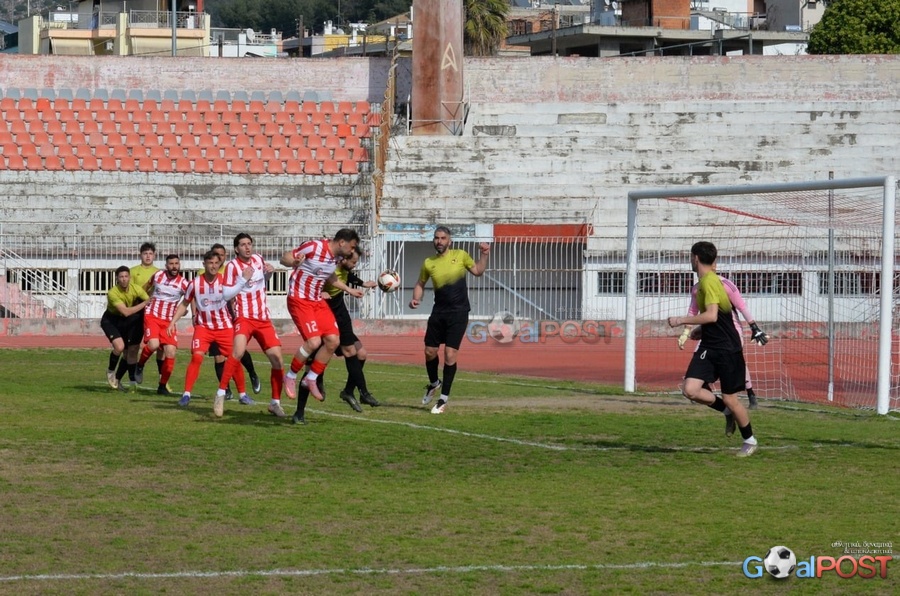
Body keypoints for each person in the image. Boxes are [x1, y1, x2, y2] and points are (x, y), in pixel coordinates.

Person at [667, 241, 759, 457]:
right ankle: (726, 412)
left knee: (730, 398)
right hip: (709, 344)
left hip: (727, 347)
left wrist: (680, 321)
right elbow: (713, 318)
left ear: (696, 258)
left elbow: (712, 315)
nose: (690, 261)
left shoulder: (710, 282)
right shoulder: (702, 284)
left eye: (691, 257)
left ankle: (750, 440)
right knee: (690, 389)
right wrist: (699, 330)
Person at [409, 226, 490, 414]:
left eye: (443, 238)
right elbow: (420, 283)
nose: (439, 241)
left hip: (459, 312)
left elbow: (478, 270)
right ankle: (434, 383)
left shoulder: (461, 255)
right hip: (439, 312)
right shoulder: (429, 263)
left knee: (450, 354)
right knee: (430, 351)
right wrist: (415, 298)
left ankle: (443, 399)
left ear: (449, 241)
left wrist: (484, 254)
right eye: (436, 238)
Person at [280, 228, 363, 403]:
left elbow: (330, 276)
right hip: (299, 300)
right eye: (351, 246)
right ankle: (290, 376)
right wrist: (294, 261)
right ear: (342, 242)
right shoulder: (314, 247)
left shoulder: (336, 258)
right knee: (314, 342)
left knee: (333, 340)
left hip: (317, 301)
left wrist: (349, 290)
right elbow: (285, 257)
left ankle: (311, 378)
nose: (352, 251)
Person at [169, 250, 254, 409]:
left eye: (216, 263)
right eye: (210, 263)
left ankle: (242, 394)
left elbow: (241, 295)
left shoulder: (225, 281)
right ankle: (186, 395)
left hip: (224, 327)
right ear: (204, 264)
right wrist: (173, 321)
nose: (213, 266)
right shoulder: (195, 284)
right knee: (197, 357)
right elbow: (184, 304)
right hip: (204, 328)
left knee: (234, 359)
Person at [216, 233, 288, 418]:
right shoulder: (232, 266)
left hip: (263, 318)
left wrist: (269, 273)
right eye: (243, 244)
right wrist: (242, 279)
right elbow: (226, 295)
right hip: (244, 317)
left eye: (249, 243)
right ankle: (221, 394)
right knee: (238, 352)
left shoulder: (258, 259)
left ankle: (275, 403)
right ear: (236, 249)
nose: (247, 247)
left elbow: (262, 282)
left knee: (278, 360)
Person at [678, 269, 768, 409]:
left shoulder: (725, 284)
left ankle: (750, 394)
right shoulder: (697, 288)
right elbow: (694, 311)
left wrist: (754, 327)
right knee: (699, 354)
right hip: (711, 334)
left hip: (732, 334)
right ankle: (702, 392)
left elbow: (741, 306)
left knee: (736, 362)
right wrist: (687, 332)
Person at [203, 243, 262, 401]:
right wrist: (196, 314)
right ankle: (226, 389)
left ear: (225, 256)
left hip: (230, 317)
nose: (218, 258)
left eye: (221, 255)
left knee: (238, 351)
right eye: (216, 255)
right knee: (218, 356)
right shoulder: (205, 273)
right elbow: (196, 294)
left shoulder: (231, 269)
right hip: (213, 321)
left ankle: (252, 373)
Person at [325, 245, 380, 412]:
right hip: (329, 316)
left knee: (361, 354)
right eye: (354, 262)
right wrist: (321, 294)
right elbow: (318, 282)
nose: (355, 264)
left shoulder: (344, 269)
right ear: (344, 259)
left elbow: (348, 276)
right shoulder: (329, 269)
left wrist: (363, 284)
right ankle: (364, 392)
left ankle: (348, 391)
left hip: (342, 314)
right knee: (347, 352)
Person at [133, 254, 188, 396]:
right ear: (166, 265)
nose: (174, 266)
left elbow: (189, 299)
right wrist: (143, 299)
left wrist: (187, 311)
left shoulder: (183, 283)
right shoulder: (158, 275)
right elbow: (146, 287)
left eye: (176, 263)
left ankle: (162, 386)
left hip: (169, 321)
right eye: (171, 264)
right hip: (152, 315)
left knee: (171, 352)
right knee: (154, 344)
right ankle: (140, 365)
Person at [101, 266, 149, 391]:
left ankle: (118, 379)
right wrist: (144, 303)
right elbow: (126, 312)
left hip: (125, 321)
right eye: (121, 277)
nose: (124, 279)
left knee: (129, 353)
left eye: (126, 276)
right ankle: (110, 370)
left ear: (130, 277)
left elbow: (149, 301)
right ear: (117, 278)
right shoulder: (113, 292)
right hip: (111, 320)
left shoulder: (136, 289)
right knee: (120, 347)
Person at [130, 242, 166, 385]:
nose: (148, 256)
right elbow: (130, 291)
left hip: (156, 311)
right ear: (140, 255)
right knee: (134, 346)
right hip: (138, 309)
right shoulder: (133, 271)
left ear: (154, 255)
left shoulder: (160, 273)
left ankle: (162, 379)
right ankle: (132, 378)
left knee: (161, 346)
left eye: (150, 253)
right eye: (145, 253)